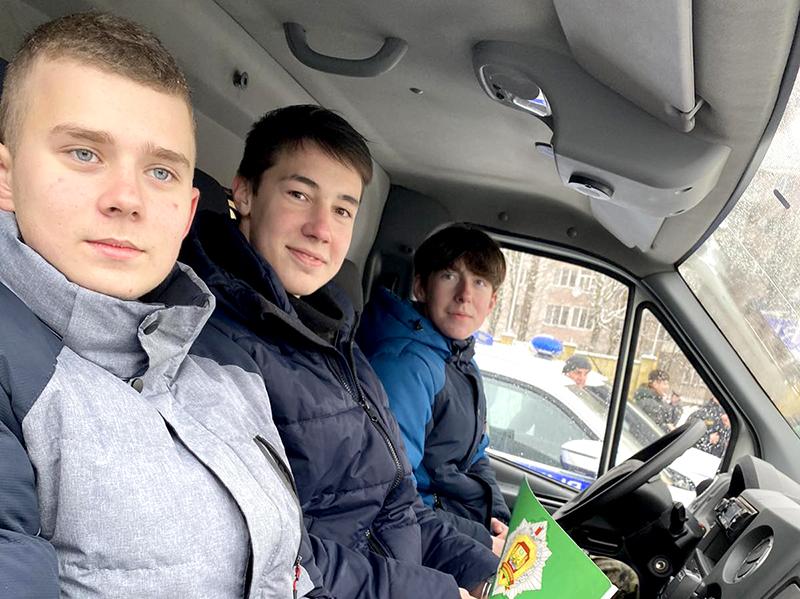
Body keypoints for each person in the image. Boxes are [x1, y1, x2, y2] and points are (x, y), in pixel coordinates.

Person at [0, 13, 316, 598]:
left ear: (189, 211)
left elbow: (292, 569)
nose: (128, 199)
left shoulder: (228, 366)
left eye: (161, 171)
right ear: (6, 176)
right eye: (84, 153)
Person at [180, 105, 498, 599]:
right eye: (299, 194)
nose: (321, 229)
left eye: (342, 210)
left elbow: (399, 508)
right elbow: (269, 553)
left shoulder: (334, 338)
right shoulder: (206, 339)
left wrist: (488, 572)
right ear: (244, 193)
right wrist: (431, 593)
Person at [358, 226, 511, 552]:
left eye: (480, 282)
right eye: (449, 276)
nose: (465, 294)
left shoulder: (459, 359)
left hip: (454, 523)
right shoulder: (405, 366)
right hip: (415, 538)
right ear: (421, 287)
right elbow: (393, 494)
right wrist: (483, 541)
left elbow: (476, 454)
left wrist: (497, 517)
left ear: (492, 302)